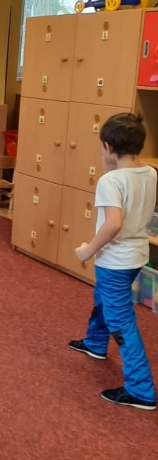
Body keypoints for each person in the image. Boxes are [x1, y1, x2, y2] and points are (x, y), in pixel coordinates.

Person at [68, 112, 157, 411]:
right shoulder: (150, 173)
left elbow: (113, 224)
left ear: (108, 147)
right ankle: (95, 343)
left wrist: (87, 250)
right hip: (136, 256)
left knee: (122, 322)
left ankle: (141, 390)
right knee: (104, 299)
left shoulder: (111, 181)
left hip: (115, 260)